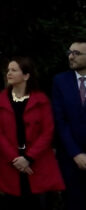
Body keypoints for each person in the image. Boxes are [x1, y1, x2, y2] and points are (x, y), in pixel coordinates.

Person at [0, 57, 64, 208]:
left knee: (38, 202)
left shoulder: (41, 99)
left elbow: (47, 131)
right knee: (12, 201)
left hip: (37, 162)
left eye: (14, 70)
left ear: (26, 75)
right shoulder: (0, 99)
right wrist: (16, 159)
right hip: (11, 163)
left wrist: (29, 158)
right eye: (8, 70)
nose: (9, 73)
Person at [51, 37, 86, 210]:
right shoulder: (60, 81)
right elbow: (60, 120)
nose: (71, 57)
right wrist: (76, 153)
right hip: (70, 158)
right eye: (69, 52)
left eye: (77, 53)